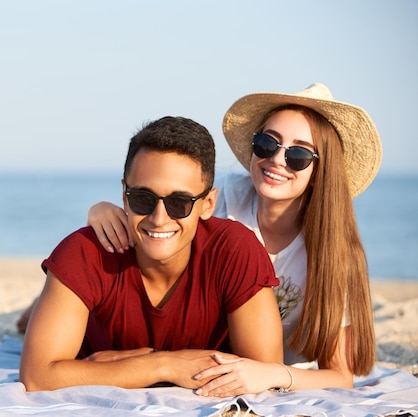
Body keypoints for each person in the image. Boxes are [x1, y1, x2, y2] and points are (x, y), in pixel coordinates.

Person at [75, 83, 380, 396]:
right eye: (266, 143)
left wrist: (273, 375)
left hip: (246, 370)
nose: (276, 159)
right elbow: (158, 210)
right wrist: (103, 209)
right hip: (191, 354)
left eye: (298, 155)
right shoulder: (222, 200)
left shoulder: (332, 253)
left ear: (320, 169)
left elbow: (339, 376)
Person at [19, 116, 285, 392]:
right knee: (25, 324)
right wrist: (163, 364)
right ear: (124, 195)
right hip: (81, 293)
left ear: (208, 204)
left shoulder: (235, 250)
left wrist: (136, 362)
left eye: (179, 202)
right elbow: (37, 377)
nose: (159, 219)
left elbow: (265, 372)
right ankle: (36, 304)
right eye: (143, 199)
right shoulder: (85, 251)